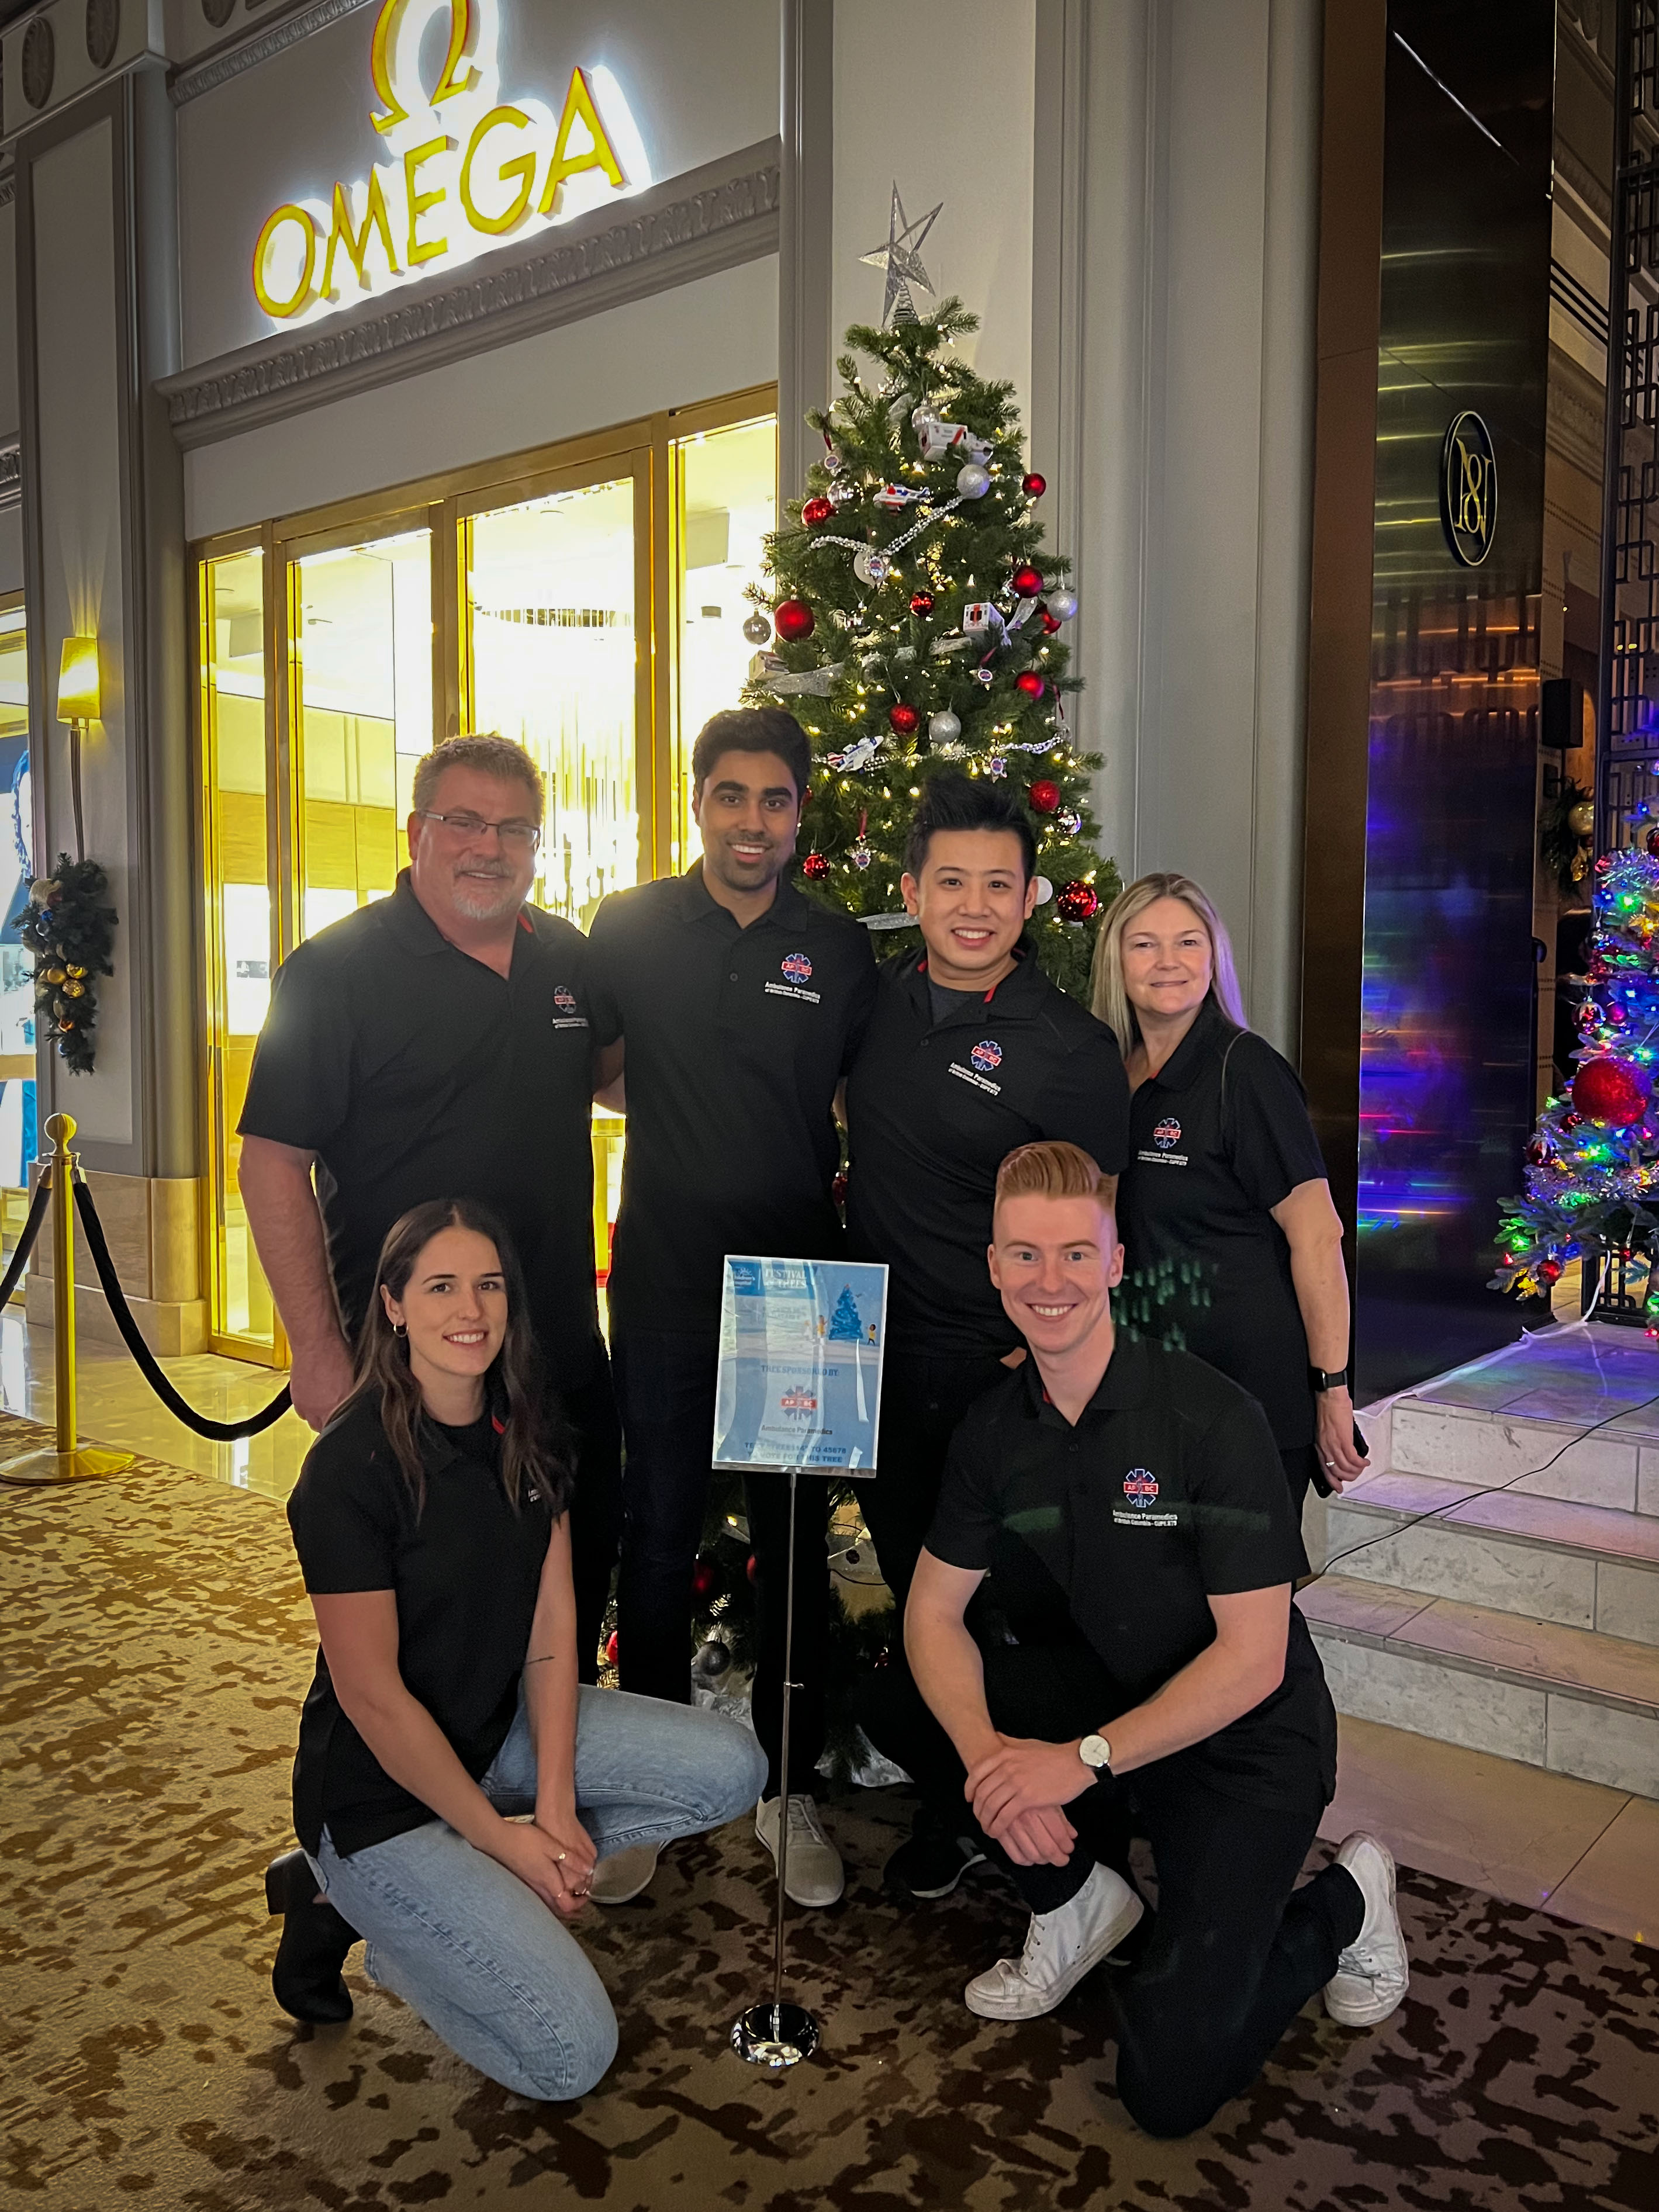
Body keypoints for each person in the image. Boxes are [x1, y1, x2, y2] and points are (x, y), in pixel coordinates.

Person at [863, 1141, 1408, 2141]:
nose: (1050, 1280)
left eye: (1076, 1253)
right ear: (993, 1267)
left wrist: (1072, 1763)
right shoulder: (994, 1429)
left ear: (1115, 1263)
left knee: (1167, 2089)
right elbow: (931, 1613)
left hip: (1246, 1741)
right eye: (1024, 1255)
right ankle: (1077, 1899)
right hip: (1110, 1695)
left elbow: (1252, 1660)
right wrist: (991, 1764)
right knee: (899, 1692)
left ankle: (1347, 1903)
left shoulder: (1210, 1417)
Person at [264, 1199, 765, 2099]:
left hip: (495, 1737)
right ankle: (372, 1919)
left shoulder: (527, 1429)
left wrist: (558, 1810)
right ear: (393, 1304)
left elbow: (550, 1635)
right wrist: (502, 1841)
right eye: (441, 1286)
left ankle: (446, 1884)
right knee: (569, 2058)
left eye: (488, 1285)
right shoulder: (348, 1470)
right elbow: (373, 1698)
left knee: (732, 1767)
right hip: (377, 1800)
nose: (470, 1310)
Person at [238, 734, 623, 1684]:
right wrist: (316, 1352)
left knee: (566, 1605)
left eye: (514, 828)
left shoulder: (567, 958)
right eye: (464, 822)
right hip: (408, 1366)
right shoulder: (333, 972)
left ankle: (550, 1774)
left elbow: (619, 1082)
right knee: (419, 1628)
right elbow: (272, 1162)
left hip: (555, 1356)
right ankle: (404, 1785)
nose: (489, 847)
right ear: (415, 831)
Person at [586, 708, 878, 1910]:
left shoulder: (840, 948)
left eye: (775, 799)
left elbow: (869, 1098)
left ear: (799, 812)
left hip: (802, 1291)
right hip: (662, 1278)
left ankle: (786, 1788)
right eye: (730, 795)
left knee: (793, 1546)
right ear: (697, 799)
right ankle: (647, 1793)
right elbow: (596, 1070)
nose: (751, 821)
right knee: (653, 1534)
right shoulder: (628, 926)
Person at [843, 771, 1129, 1898]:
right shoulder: (871, 1007)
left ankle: (1072, 1839)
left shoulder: (1067, 1046)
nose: (973, 907)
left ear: (1029, 899)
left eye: (997, 885)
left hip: (1001, 1379)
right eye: (951, 882)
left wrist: (1041, 1362)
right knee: (918, 1593)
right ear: (911, 891)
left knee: (1018, 1609)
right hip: (877, 1366)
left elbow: (1095, 1228)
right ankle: (959, 1810)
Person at [1091, 872, 1367, 1512]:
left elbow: (1318, 1236)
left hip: (1247, 1393)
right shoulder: (1112, 1076)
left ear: (1213, 958)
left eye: (1188, 942)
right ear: (1117, 960)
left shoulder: (1244, 1071)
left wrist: (1332, 1387)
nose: (1168, 961)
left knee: (1246, 1578)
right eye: (1145, 944)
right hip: (1148, 1386)